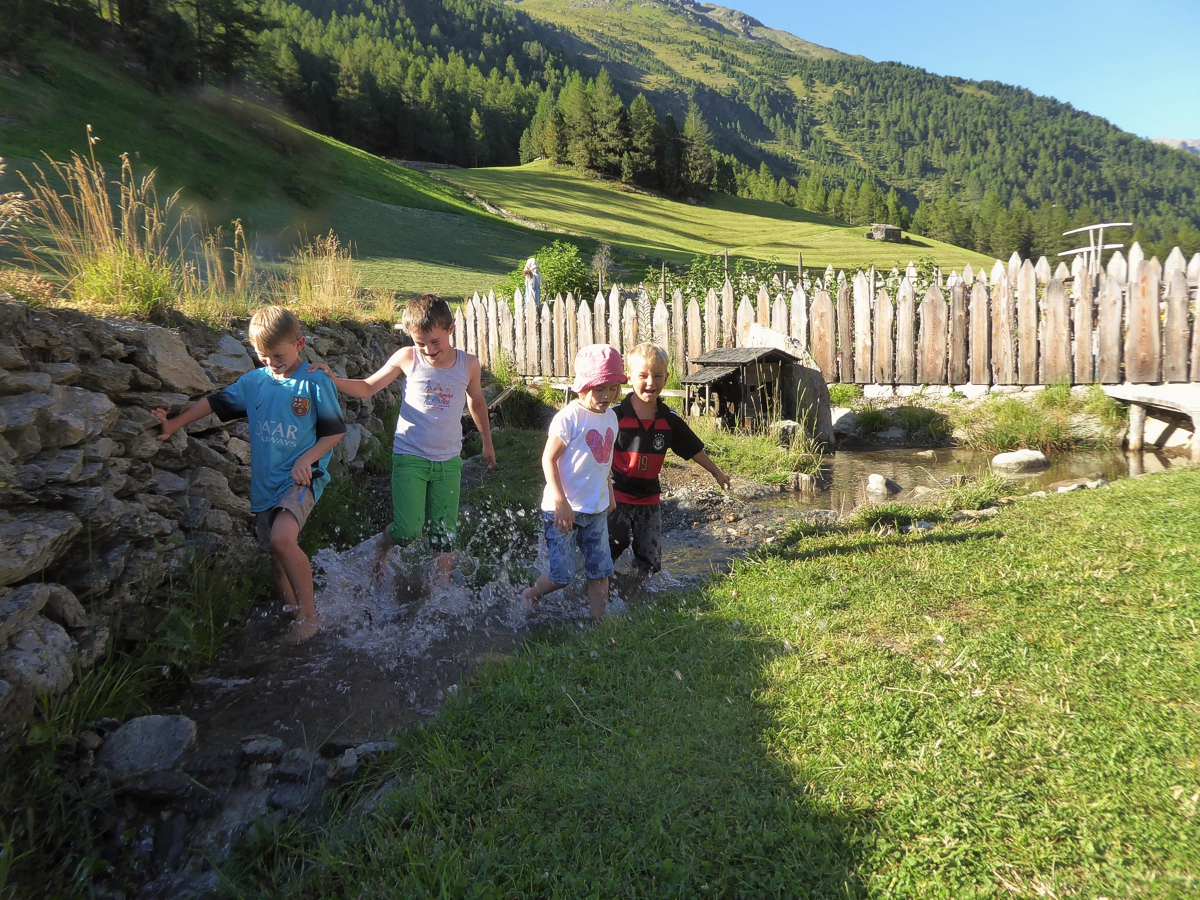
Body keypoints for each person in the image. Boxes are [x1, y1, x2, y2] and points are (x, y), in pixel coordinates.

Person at [154, 306, 346, 643]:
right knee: (276, 556)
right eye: (262, 354)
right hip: (264, 485)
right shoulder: (254, 382)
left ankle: (310, 616)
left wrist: (308, 459)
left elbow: (334, 432)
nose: (270, 361)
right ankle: (295, 615)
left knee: (282, 539)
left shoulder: (315, 381)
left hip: (301, 479)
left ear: (299, 343)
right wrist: (173, 424)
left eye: (278, 354)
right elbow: (213, 403)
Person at [312, 294, 495, 580]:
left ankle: (440, 594)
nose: (429, 350)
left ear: (451, 328)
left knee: (444, 534)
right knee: (407, 531)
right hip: (411, 456)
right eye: (420, 343)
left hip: (448, 461)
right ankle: (382, 546)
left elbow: (477, 402)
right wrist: (333, 380)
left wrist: (487, 441)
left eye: (435, 342)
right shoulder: (407, 358)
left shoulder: (468, 365)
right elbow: (368, 387)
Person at [520, 344, 625, 621]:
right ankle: (531, 594)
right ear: (583, 386)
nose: (606, 396)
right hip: (564, 510)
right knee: (563, 575)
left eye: (613, 388)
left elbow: (604, 461)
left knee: (601, 570)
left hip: (596, 510)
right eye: (599, 389)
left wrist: (609, 491)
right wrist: (560, 502)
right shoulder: (569, 417)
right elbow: (548, 460)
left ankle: (596, 623)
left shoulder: (612, 417)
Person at [609, 342, 730, 575]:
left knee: (650, 560)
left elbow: (693, 448)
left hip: (649, 499)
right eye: (643, 375)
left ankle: (642, 593)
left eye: (657, 376)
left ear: (666, 377)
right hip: (617, 496)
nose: (650, 382)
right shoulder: (615, 416)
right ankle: (600, 584)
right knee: (613, 545)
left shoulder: (669, 419)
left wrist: (716, 471)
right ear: (629, 377)